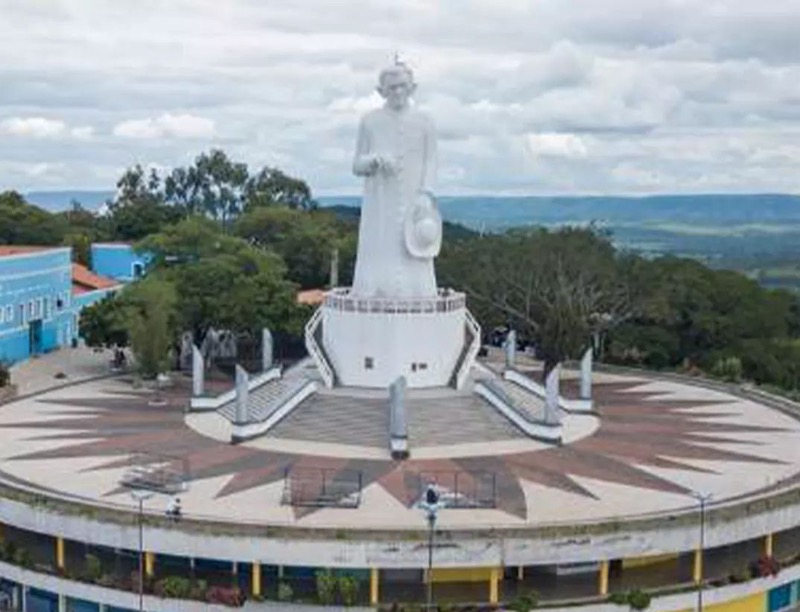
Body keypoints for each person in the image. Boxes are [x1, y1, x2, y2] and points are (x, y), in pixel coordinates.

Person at [351, 61, 439, 298]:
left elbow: (431, 161)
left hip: (414, 201)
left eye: (402, 86)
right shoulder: (370, 121)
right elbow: (356, 165)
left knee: (414, 249)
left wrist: (426, 194)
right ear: (381, 91)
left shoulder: (425, 122)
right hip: (380, 204)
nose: (397, 92)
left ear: (412, 87)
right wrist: (375, 160)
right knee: (381, 247)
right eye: (392, 88)